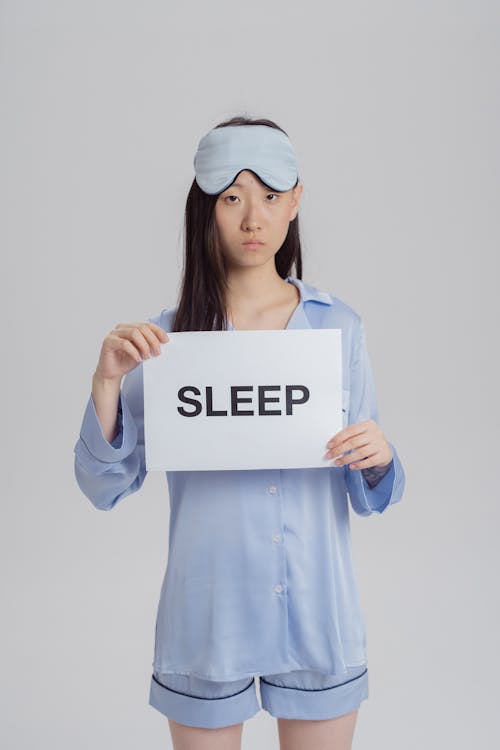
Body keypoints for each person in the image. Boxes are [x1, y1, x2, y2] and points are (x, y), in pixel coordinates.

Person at [74, 115, 406, 750]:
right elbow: (103, 485)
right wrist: (107, 383)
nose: (253, 219)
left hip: (316, 608)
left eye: (270, 196)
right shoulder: (166, 341)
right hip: (208, 613)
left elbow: (373, 490)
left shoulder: (340, 328)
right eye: (231, 198)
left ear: (296, 203)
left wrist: (379, 457)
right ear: (205, 208)